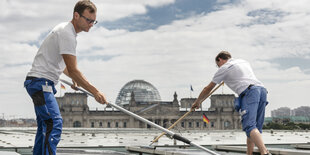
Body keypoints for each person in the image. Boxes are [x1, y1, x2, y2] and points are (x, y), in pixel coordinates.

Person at [24, 1, 107, 154]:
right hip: (41, 83)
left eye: (93, 21)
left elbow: (61, 65)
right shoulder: (67, 33)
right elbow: (74, 70)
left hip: (38, 82)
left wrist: (74, 78)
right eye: (88, 20)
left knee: (45, 125)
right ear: (76, 15)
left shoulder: (65, 31)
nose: (91, 24)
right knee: (54, 123)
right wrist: (95, 91)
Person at [191, 51, 270, 155]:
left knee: (249, 126)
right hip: (262, 90)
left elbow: (207, 88)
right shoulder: (243, 61)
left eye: (217, 65)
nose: (218, 67)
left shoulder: (224, 68)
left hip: (249, 92)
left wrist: (197, 102)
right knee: (254, 129)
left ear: (219, 59)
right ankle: (249, 153)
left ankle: (264, 152)